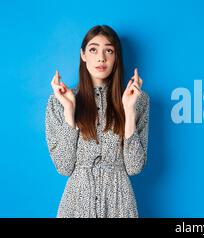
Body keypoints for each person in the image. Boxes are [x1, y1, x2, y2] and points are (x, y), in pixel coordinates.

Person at [45, 25, 149, 218]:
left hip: (120, 202)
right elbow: (64, 166)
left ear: (116, 57)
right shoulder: (59, 101)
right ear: (83, 55)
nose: (101, 58)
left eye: (109, 51)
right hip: (76, 204)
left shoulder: (138, 99)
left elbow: (134, 167)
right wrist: (70, 109)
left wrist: (128, 109)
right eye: (93, 50)